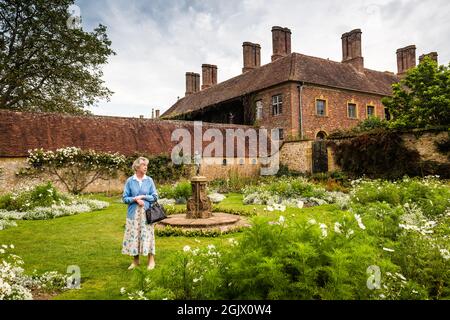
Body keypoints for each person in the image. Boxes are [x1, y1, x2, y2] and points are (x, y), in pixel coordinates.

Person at [121, 157, 159, 270]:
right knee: (134, 237)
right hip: (133, 215)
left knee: (148, 236)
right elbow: (124, 198)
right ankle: (135, 262)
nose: (145, 167)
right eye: (143, 165)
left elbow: (155, 197)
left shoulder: (149, 180)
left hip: (147, 214)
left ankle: (151, 261)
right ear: (137, 167)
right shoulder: (130, 181)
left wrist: (143, 197)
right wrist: (135, 200)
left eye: (146, 165)